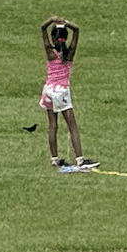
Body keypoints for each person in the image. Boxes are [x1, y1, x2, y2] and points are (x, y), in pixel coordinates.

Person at [39, 16, 95, 171]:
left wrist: (51, 20)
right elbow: (77, 30)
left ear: (53, 38)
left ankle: (55, 158)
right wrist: (67, 24)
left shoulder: (50, 52)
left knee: (52, 125)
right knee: (72, 126)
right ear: (66, 38)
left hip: (48, 91)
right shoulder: (69, 54)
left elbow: (42, 28)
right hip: (61, 92)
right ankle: (80, 159)